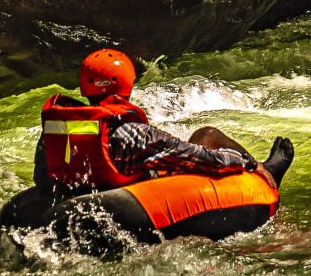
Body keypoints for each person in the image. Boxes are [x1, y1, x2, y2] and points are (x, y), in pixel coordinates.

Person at [33, 48, 293, 194]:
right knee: (207, 135)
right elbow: (201, 158)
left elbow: (41, 177)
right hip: (133, 203)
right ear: (127, 84)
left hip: (80, 199)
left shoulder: (56, 129)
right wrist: (245, 162)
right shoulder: (131, 133)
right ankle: (265, 172)